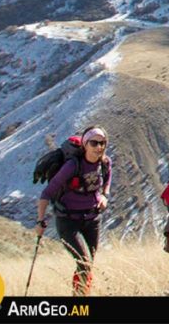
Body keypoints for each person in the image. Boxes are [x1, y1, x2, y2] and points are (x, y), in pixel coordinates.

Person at [36, 126, 112, 295]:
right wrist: (40, 221)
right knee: (84, 263)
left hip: (92, 219)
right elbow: (46, 193)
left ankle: (80, 295)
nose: (99, 147)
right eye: (94, 143)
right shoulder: (72, 166)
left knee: (88, 263)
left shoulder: (105, 163)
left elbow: (107, 181)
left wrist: (104, 196)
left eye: (102, 143)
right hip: (68, 221)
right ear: (85, 145)